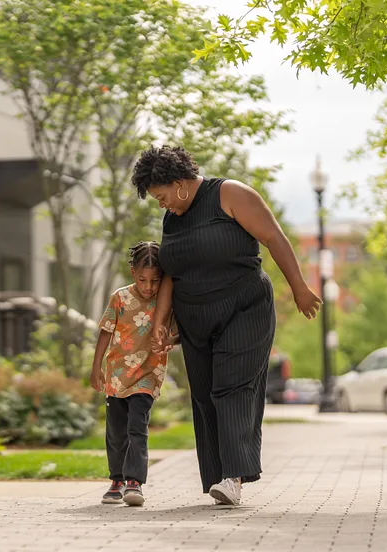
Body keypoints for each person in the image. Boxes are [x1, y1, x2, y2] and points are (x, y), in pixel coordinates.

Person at [132, 145, 321, 507]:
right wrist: (160, 321)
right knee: (204, 397)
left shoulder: (230, 194)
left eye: (161, 196)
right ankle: (220, 476)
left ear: (179, 183)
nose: (161, 205)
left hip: (244, 308)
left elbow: (273, 237)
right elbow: (171, 273)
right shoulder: (173, 218)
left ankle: (233, 477)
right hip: (195, 321)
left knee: (231, 388)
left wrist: (299, 287)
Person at [89, 241, 178, 507]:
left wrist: (168, 342)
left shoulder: (167, 300)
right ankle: (116, 479)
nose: (149, 287)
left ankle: (135, 482)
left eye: (155, 280)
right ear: (132, 273)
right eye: (142, 280)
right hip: (117, 375)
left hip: (148, 374)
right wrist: (97, 367)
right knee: (116, 432)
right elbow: (105, 331)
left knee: (136, 428)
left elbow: (178, 333)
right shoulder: (120, 298)